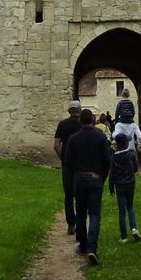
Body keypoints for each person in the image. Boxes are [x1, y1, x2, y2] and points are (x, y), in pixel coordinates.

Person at [64, 108, 111, 266]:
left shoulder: (73, 138)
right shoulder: (100, 137)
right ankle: (92, 248)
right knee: (95, 214)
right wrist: (102, 176)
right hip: (95, 177)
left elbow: (68, 161)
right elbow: (106, 160)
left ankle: (83, 246)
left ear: (80, 121)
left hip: (79, 178)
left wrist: (76, 173)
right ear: (92, 120)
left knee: (81, 213)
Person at [53, 99, 82, 235]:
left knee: (69, 195)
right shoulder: (83, 124)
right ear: (79, 110)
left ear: (69, 111)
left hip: (67, 164)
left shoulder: (62, 124)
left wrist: (62, 158)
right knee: (81, 194)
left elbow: (56, 145)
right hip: (81, 163)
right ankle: (81, 224)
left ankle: (71, 224)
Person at [109, 132, 141, 243]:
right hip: (130, 183)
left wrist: (111, 188)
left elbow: (112, 174)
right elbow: (135, 168)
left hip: (119, 185)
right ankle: (134, 228)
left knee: (122, 210)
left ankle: (123, 237)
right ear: (126, 143)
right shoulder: (131, 155)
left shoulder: (114, 157)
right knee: (130, 206)